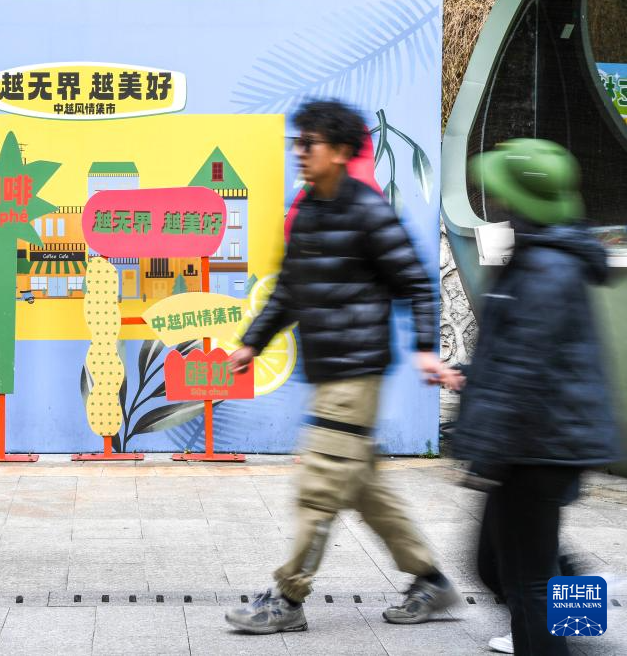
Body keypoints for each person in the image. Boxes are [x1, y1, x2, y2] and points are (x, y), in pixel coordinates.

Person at [224, 100, 458, 634]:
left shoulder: (369, 212)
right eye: (297, 142)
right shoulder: (309, 210)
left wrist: (426, 348)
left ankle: (287, 599)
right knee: (362, 488)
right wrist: (252, 343)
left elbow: (416, 283)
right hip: (329, 372)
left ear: (341, 151)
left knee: (320, 484)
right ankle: (430, 580)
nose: (299, 152)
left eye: (309, 143)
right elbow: (290, 290)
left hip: (355, 375)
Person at [447, 138, 621, 655]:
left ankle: (557, 631)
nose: (496, 202)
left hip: (535, 444)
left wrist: (485, 455)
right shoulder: (540, 256)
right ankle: (580, 619)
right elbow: (518, 354)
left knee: (524, 577)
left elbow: (524, 371)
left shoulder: (546, 268)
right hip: (540, 439)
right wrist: (471, 376)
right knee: (507, 563)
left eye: (502, 193)